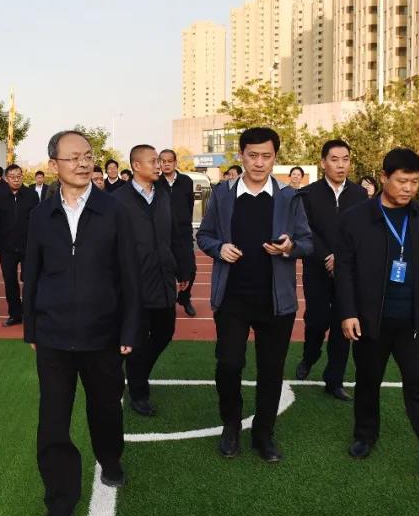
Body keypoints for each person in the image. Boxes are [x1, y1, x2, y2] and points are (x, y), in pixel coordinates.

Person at [24, 130, 141, 516]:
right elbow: (32, 274)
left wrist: (129, 327)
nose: (82, 163)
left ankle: (110, 458)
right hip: (53, 337)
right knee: (53, 422)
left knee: (105, 409)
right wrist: (32, 327)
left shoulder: (114, 211)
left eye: (87, 156)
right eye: (72, 157)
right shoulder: (41, 215)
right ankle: (59, 503)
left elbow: (129, 274)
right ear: (53, 164)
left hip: (103, 335)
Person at [336, 148, 419, 478]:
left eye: (415, 181)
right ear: (384, 177)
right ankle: (365, 435)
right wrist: (348, 312)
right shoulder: (355, 218)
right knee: (368, 381)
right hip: (371, 320)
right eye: (402, 181)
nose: (408, 188)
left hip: (415, 322)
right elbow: (344, 270)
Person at [196, 127, 313, 463]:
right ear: (241, 155)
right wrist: (219, 248)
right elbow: (204, 236)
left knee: (271, 370)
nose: (259, 163)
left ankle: (264, 434)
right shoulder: (222, 194)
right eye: (252, 155)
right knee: (229, 364)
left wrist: (290, 247)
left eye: (266, 156)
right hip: (232, 298)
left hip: (276, 301)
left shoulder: (290, 197)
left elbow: (308, 243)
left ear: (275, 157)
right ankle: (231, 426)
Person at [114, 145, 193, 416]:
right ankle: (138, 392)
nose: (159, 165)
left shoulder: (163, 195)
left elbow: (176, 235)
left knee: (165, 332)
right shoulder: (118, 200)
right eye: (152, 161)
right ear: (136, 166)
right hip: (133, 285)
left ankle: (135, 372)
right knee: (136, 339)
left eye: (159, 160)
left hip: (163, 279)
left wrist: (183, 270)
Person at [295, 140, 368, 401]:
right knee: (316, 321)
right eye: (334, 159)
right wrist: (326, 256)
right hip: (316, 269)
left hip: (347, 273)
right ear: (323, 162)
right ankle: (309, 356)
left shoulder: (360, 195)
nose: (340, 165)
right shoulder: (308, 194)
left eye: (345, 159)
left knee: (343, 326)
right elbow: (304, 230)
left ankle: (334, 380)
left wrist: (341, 258)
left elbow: (362, 232)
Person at [0, 164, 39, 327]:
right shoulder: (0, 196)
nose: (16, 179)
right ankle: (15, 314)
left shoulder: (32, 195)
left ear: (22, 177)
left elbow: (37, 220)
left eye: (19, 176)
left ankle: (29, 313)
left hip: (28, 246)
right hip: (7, 247)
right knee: (10, 281)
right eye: (12, 177)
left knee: (29, 280)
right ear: (6, 178)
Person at [158, 149, 198, 318]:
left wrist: (184, 221)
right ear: (159, 163)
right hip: (163, 233)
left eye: (170, 161)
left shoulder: (186, 181)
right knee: (165, 269)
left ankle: (184, 298)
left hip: (183, 232)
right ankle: (166, 304)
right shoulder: (156, 182)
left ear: (175, 163)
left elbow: (190, 204)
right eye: (163, 161)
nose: (166, 164)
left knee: (190, 269)